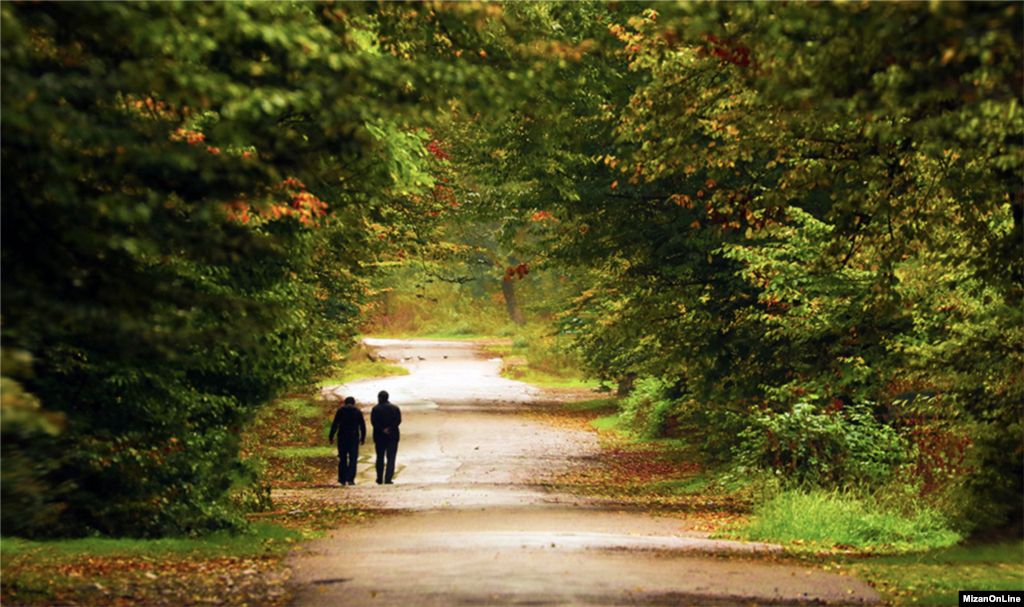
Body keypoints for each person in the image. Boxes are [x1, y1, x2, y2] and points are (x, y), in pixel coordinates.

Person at [328, 396, 365, 486]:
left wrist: (331, 435)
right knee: (353, 458)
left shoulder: (341, 411)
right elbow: (362, 426)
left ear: (345, 403)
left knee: (343, 458)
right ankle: (351, 478)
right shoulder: (357, 412)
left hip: (342, 436)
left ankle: (342, 478)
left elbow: (335, 424)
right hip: (353, 437)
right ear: (353, 403)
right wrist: (362, 437)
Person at [370, 390, 401, 485]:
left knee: (380, 457)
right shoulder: (395, 408)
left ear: (379, 398)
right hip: (392, 435)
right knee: (391, 457)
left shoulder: (375, 409)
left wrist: (382, 429)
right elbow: (398, 421)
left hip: (380, 436)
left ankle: (379, 478)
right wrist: (390, 428)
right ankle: (388, 478)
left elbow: (373, 422)